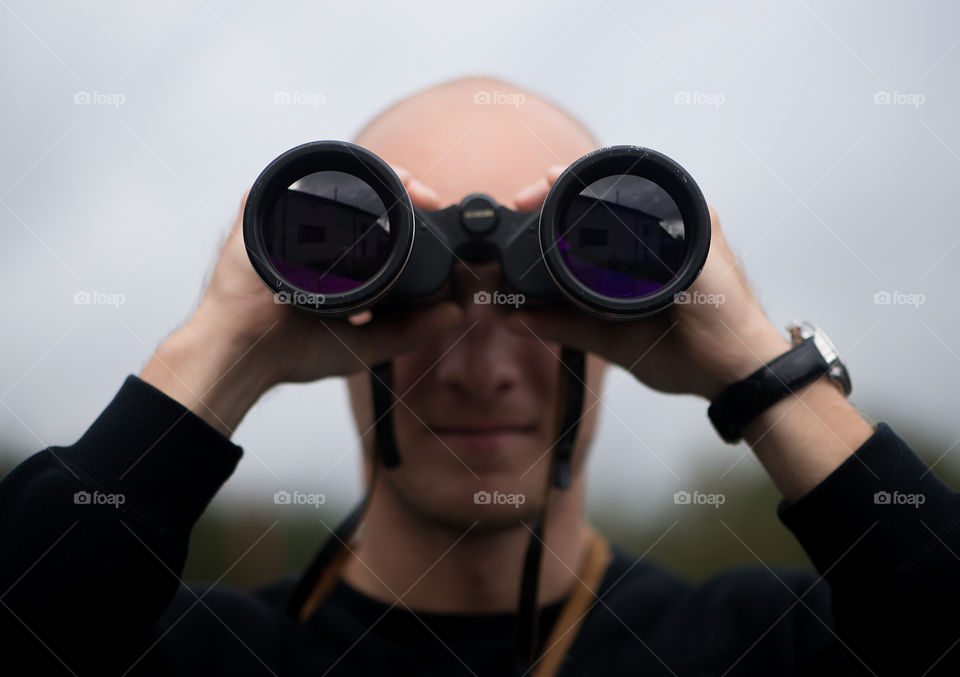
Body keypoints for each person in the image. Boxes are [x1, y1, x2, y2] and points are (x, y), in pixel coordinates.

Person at [1, 76, 957, 676]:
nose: (484, 368)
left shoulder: (766, 644)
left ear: (622, 316)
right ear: (328, 311)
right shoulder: (188, 651)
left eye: (550, 302)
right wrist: (220, 349)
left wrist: (757, 366)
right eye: (423, 302)